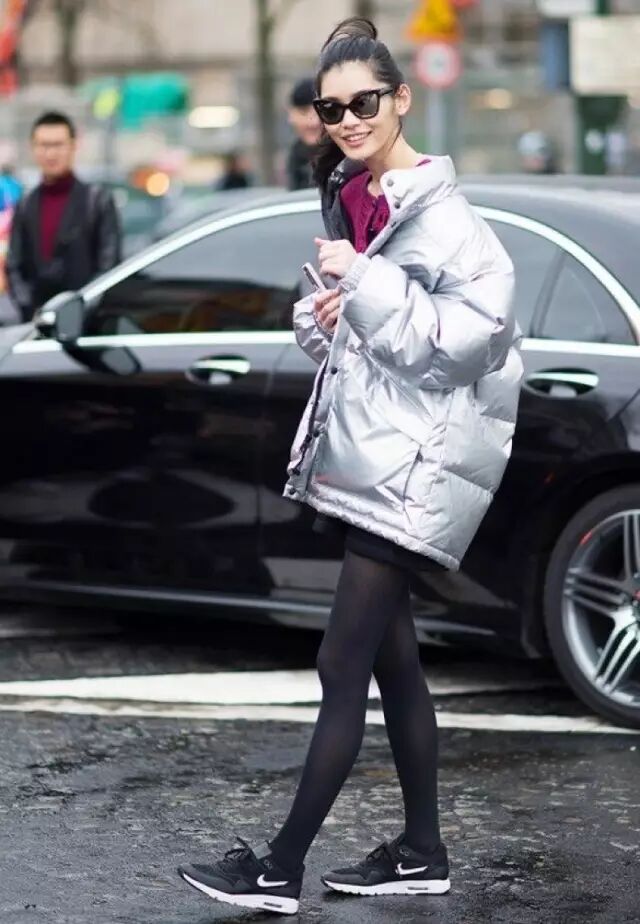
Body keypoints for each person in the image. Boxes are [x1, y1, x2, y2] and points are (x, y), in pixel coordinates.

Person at [177, 17, 522, 916]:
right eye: (332, 109)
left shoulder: (448, 221)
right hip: (378, 458)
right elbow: (363, 332)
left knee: (342, 662)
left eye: (364, 101)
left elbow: (465, 346)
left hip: (418, 468)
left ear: (401, 98)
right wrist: (327, 312)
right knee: (394, 662)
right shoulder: (357, 198)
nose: (348, 120)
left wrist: (364, 288)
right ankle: (422, 851)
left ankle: (279, 867)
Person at [5, 111, 121, 323]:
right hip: (35, 321)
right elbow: (14, 265)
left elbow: (108, 266)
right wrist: (30, 309)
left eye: (58, 145)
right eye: (43, 145)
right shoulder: (26, 204)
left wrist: (80, 308)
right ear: (33, 148)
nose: (51, 153)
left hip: (86, 322)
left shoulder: (96, 201)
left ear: (73, 145)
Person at [286, 76, 323, 190]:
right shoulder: (296, 156)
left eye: (320, 112)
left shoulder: (349, 157)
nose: (313, 122)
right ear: (291, 115)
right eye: (304, 112)